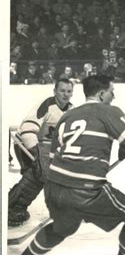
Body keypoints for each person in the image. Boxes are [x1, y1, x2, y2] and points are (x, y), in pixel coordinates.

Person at [14, 74, 125, 255]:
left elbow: (53, 158)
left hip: (54, 189)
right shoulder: (108, 111)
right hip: (86, 191)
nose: (114, 97)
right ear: (102, 94)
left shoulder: (66, 116)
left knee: (64, 226)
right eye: (112, 92)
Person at [8, 79, 75, 227]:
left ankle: (13, 204)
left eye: (69, 91)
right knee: (40, 174)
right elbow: (27, 130)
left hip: (47, 149)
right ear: (54, 91)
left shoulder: (71, 110)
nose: (65, 94)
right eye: (62, 90)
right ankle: (12, 206)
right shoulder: (46, 106)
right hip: (26, 145)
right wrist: (36, 153)